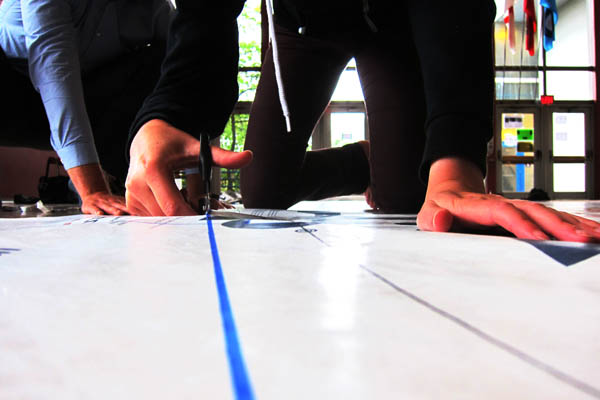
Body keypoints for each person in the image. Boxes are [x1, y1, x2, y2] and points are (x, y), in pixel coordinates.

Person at [124, 0, 600, 243]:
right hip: (302, 25)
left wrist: (455, 161)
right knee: (261, 191)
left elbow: (457, 11)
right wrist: (170, 111)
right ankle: (364, 159)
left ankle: (396, 165)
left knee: (408, 199)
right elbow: (205, 12)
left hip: (391, 22)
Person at [0, 0, 171, 215]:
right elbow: (55, 68)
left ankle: (121, 178)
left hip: (89, 103)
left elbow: (183, 84)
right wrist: (93, 190)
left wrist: (196, 186)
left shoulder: (155, 9)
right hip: (15, 96)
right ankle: (89, 177)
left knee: (166, 57)